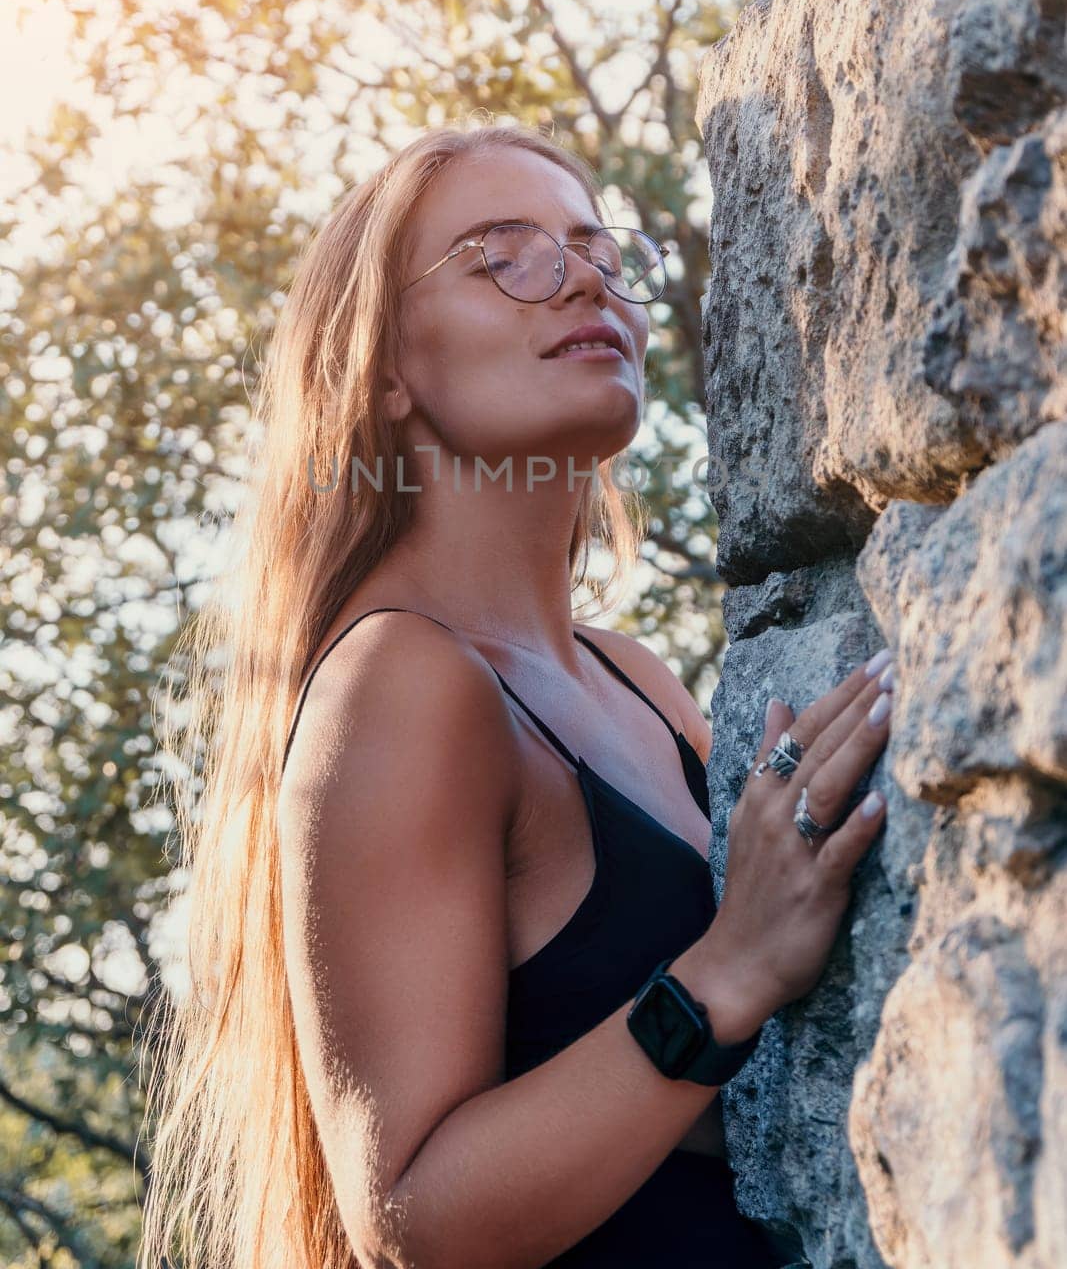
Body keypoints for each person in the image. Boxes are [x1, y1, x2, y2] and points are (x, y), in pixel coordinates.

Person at [139, 119, 892, 1269]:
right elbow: (413, 1216)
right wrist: (726, 969)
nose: (582, 274)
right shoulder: (401, 682)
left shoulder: (631, 676)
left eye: (595, 248)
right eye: (503, 251)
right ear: (383, 367)